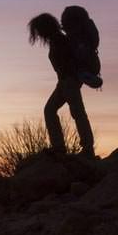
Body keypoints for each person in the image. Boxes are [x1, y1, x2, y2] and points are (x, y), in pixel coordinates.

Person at [28, 12, 95, 158]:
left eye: (38, 31)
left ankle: (84, 148)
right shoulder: (58, 39)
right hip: (66, 82)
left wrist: (69, 79)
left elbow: (67, 63)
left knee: (75, 112)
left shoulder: (59, 40)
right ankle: (64, 147)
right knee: (54, 110)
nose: (38, 35)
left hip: (68, 81)